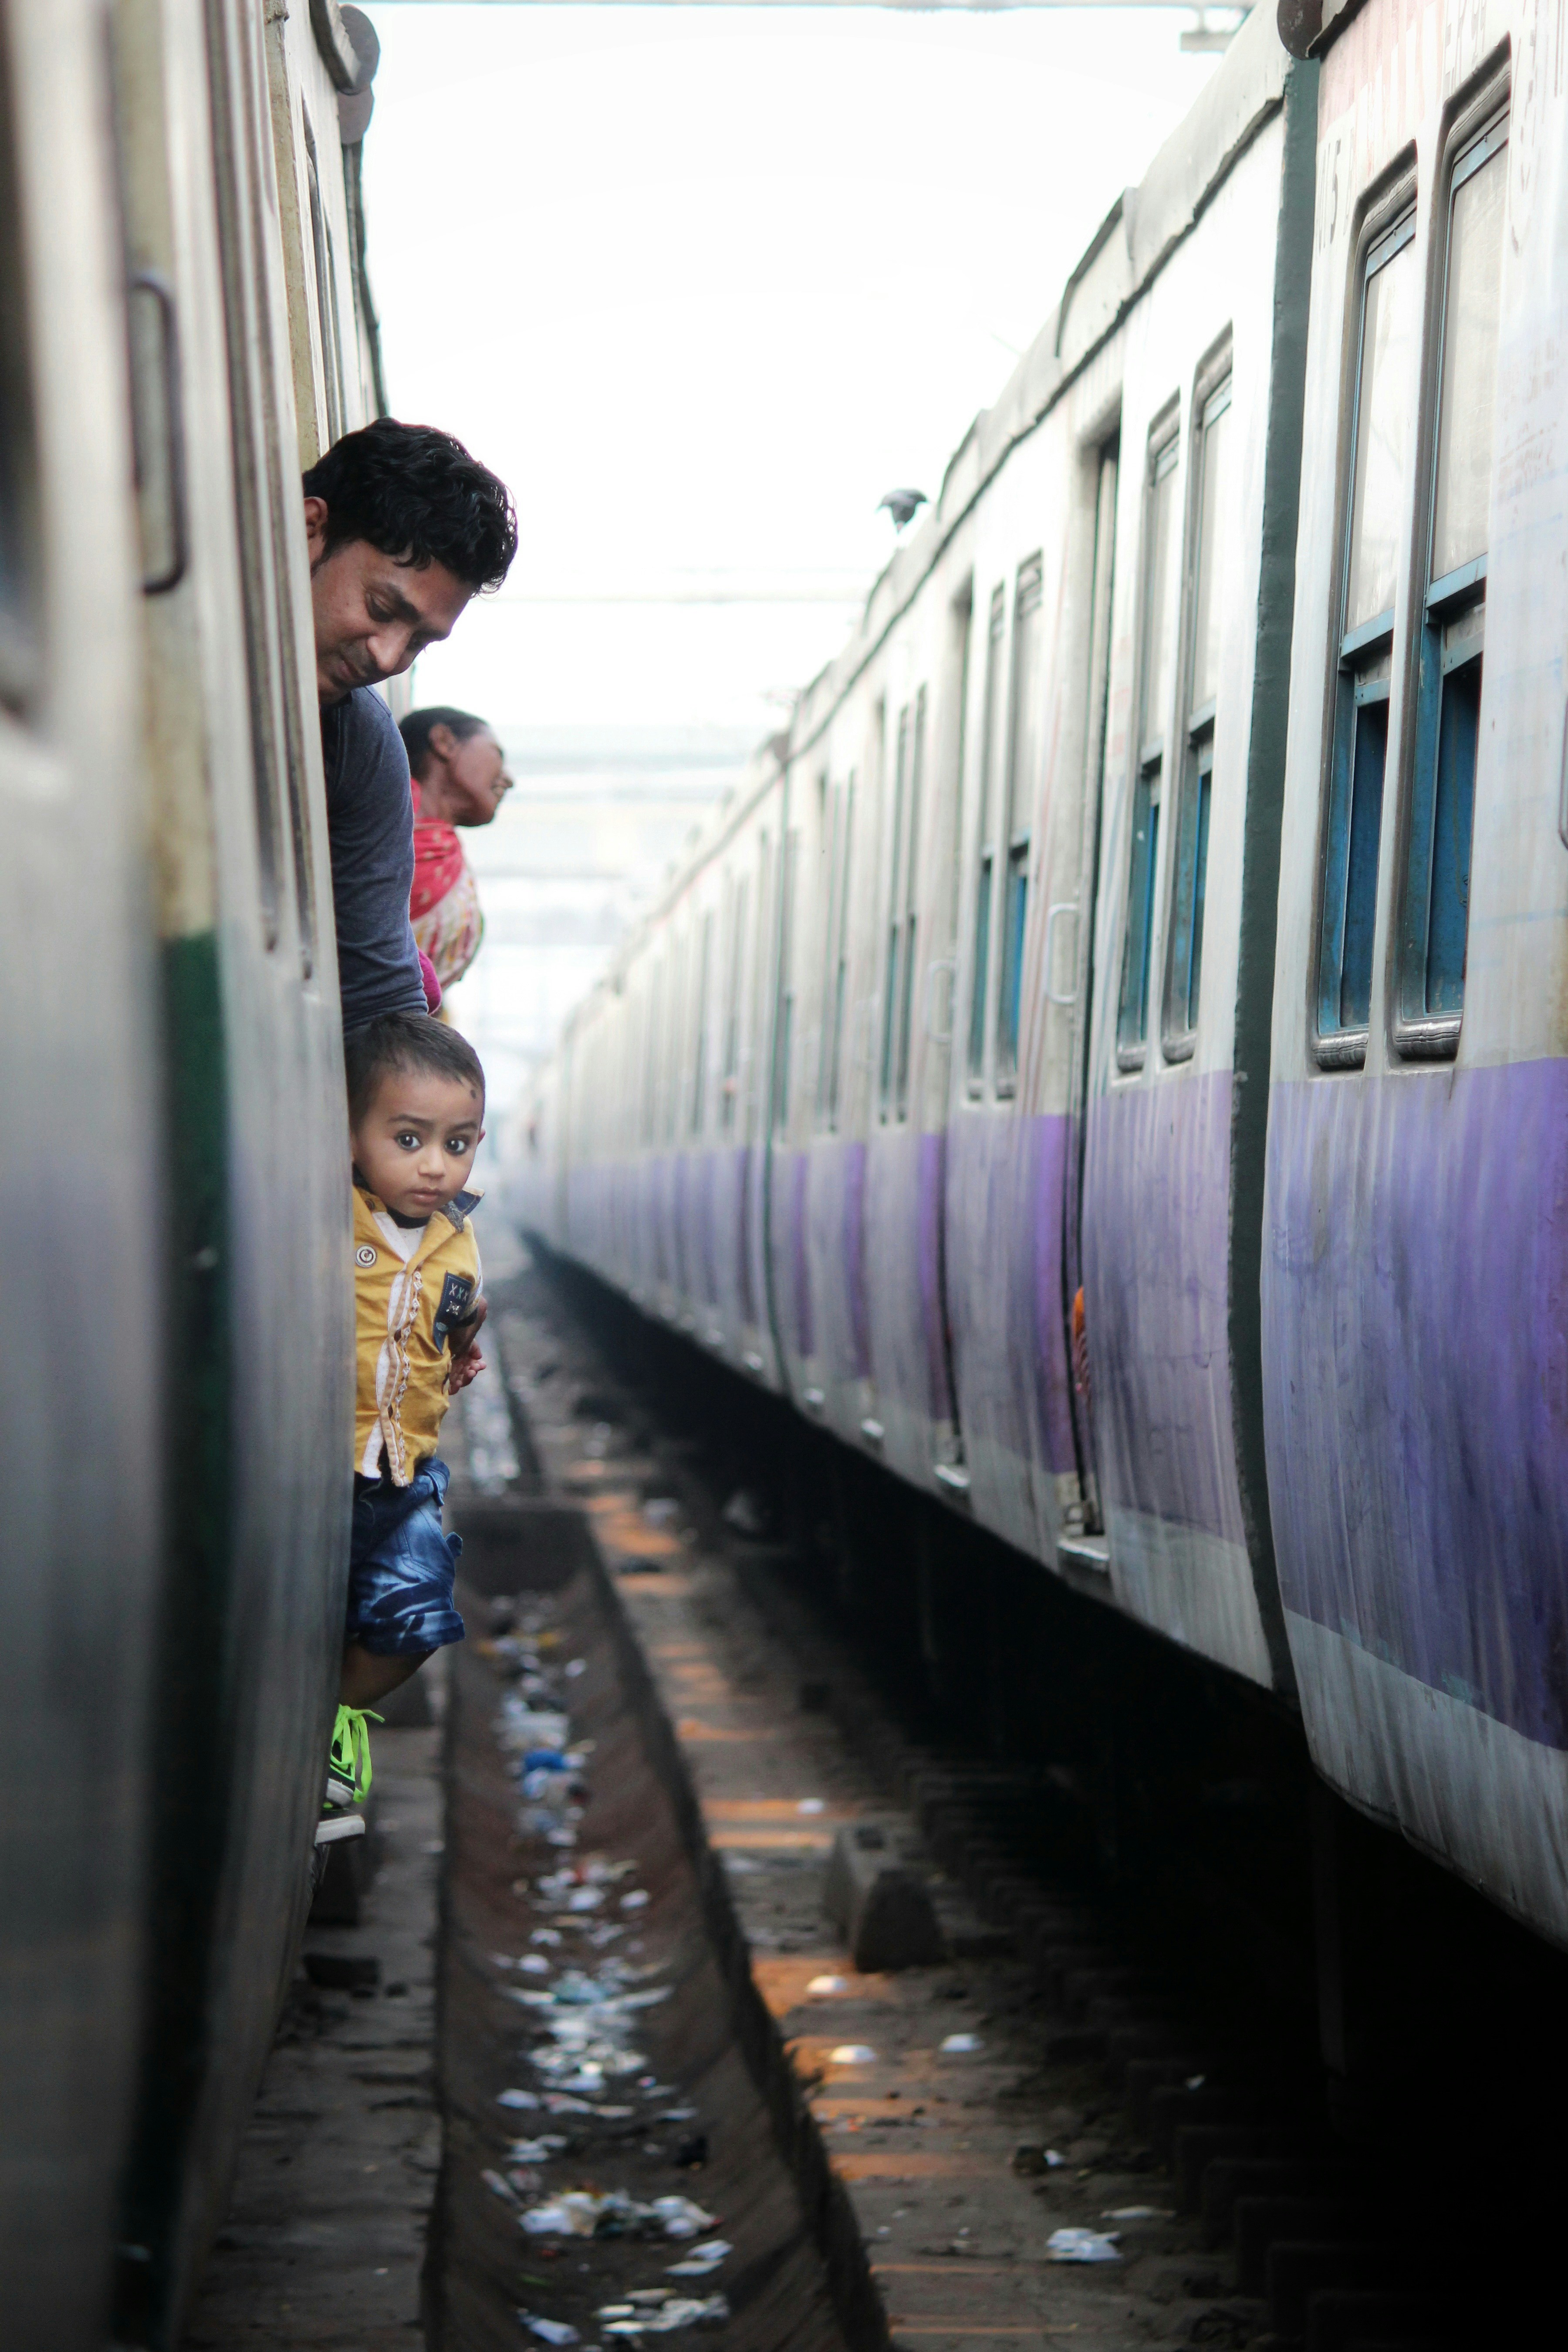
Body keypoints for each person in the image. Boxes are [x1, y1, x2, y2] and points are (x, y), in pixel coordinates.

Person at [320, 1013, 491, 1842]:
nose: (435, 1165)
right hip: (320, 1469)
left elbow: (457, 1316)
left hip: (401, 1477)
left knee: (422, 1617)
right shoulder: (333, 1214)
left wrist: (465, 1345)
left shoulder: (460, 1240)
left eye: (457, 1144)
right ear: (352, 1136)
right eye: (409, 1139)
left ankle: (333, 1719)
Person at [302, 419, 518, 1036]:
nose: (387, 655)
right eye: (380, 608)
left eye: (420, 641)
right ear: (310, 529)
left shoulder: (366, 750)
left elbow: (377, 998)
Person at [398, 706, 513, 996]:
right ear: (445, 742)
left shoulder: (447, 852)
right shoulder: (375, 815)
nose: (509, 780)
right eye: (498, 756)